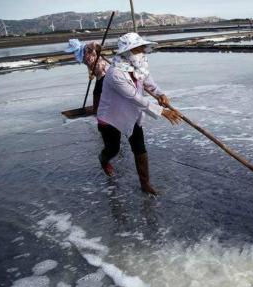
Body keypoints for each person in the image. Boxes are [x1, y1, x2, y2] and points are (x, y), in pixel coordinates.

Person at [96, 32, 183, 195]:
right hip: (111, 117)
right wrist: (162, 111)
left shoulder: (139, 66)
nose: (142, 51)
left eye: (142, 48)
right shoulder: (115, 73)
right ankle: (103, 158)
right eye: (138, 49)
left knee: (140, 149)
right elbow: (134, 97)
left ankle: (145, 184)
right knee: (113, 150)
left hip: (133, 114)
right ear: (127, 52)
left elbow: (150, 84)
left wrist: (160, 94)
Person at [65, 39, 110, 112]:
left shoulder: (86, 48)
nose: (73, 52)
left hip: (104, 71)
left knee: (97, 91)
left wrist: (98, 47)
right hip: (98, 73)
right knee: (99, 91)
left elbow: (93, 43)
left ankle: (97, 108)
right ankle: (98, 107)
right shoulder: (81, 54)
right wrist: (90, 73)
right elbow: (89, 65)